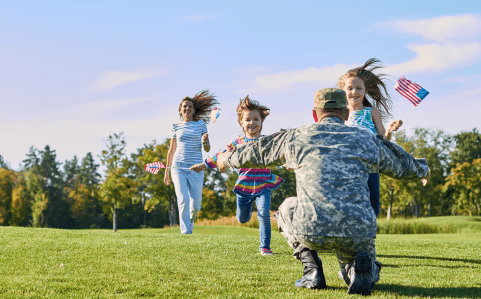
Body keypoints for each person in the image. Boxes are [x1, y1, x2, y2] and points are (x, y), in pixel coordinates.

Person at [216, 88, 429, 295]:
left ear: (314, 114)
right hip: (355, 230)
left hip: (311, 227)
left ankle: (312, 270)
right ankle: (360, 270)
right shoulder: (365, 138)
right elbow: (402, 164)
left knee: (286, 208)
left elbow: (258, 151)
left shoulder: (296, 136)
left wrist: (226, 158)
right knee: (355, 261)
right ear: (346, 114)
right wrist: (423, 169)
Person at [191, 96, 284, 255]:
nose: (252, 122)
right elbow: (220, 155)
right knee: (242, 218)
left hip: (264, 184)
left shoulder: (267, 142)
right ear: (241, 122)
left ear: (261, 122)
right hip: (244, 186)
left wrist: (288, 162)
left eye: (256, 119)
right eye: (248, 119)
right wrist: (203, 165)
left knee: (263, 214)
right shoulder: (238, 143)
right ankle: (245, 213)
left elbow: (281, 153)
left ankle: (265, 247)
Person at [337, 58, 403, 217]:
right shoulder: (340, 113)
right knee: (348, 206)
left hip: (371, 166)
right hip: (348, 167)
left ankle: (365, 238)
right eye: (350, 88)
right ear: (343, 91)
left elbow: (383, 142)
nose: (354, 92)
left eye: (359, 88)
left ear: (365, 91)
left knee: (373, 207)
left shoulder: (372, 112)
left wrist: (389, 130)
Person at [164, 90, 218, 234]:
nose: (187, 108)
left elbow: (207, 149)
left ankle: (190, 221)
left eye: (189, 106)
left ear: (194, 110)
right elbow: (171, 150)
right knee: (183, 201)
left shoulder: (200, 125)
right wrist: (167, 172)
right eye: (184, 107)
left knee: (196, 206)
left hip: (196, 168)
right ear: (180, 110)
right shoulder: (175, 126)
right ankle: (186, 233)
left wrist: (206, 141)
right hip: (178, 167)